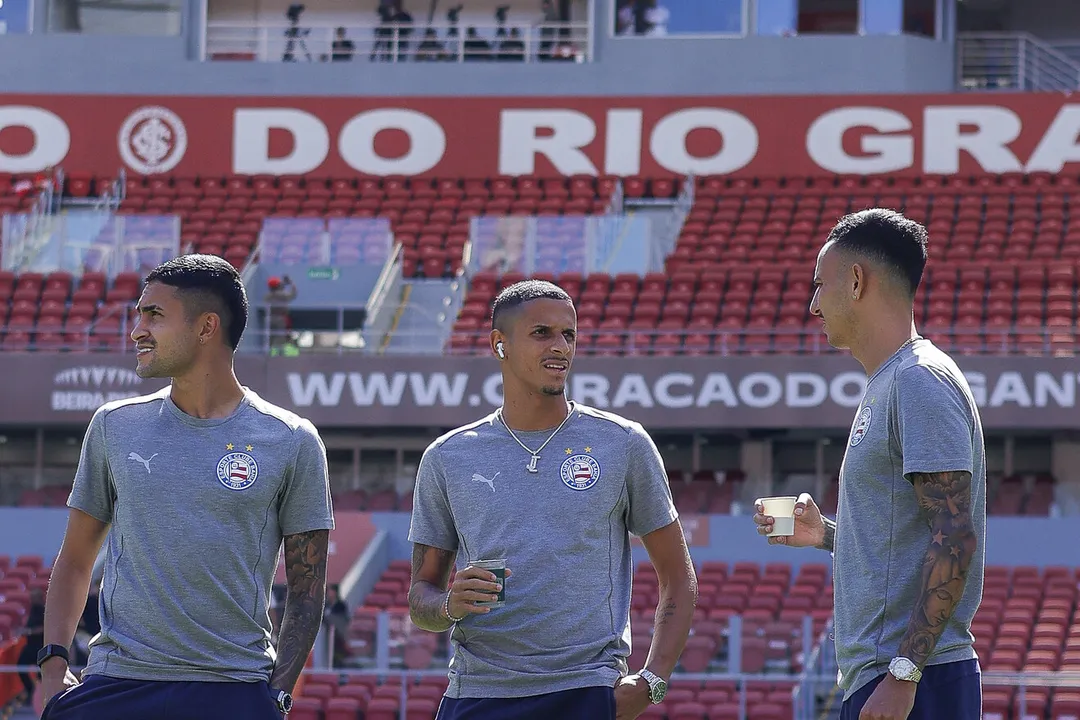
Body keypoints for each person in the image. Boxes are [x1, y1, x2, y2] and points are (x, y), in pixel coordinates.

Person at [38, 254, 334, 720]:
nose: (137, 330)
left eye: (153, 315)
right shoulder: (114, 426)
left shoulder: (292, 440)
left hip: (232, 688)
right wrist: (53, 666)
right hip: (118, 684)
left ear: (206, 327)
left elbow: (306, 591)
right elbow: (75, 560)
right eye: (138, 315)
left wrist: (276, 695)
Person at [408, 279, 698, 720]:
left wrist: (651, 682)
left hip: (585, 691)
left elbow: (678, 577)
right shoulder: (447, 457)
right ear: (499, 344)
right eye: (542, 333)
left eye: (569, 334)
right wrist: (449, 604)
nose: (560, 347)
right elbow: (420, 600)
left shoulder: (622, 444)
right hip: (478, 694)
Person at [753, 209, 986, 720]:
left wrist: (904, 673)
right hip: (889, 674)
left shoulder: (918, 381)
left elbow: (954, 535)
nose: (813, 304)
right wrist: (829, 536)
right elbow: (909, 534)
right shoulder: (890, 382)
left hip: (915, 678)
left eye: (820, 285)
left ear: (856, 282)